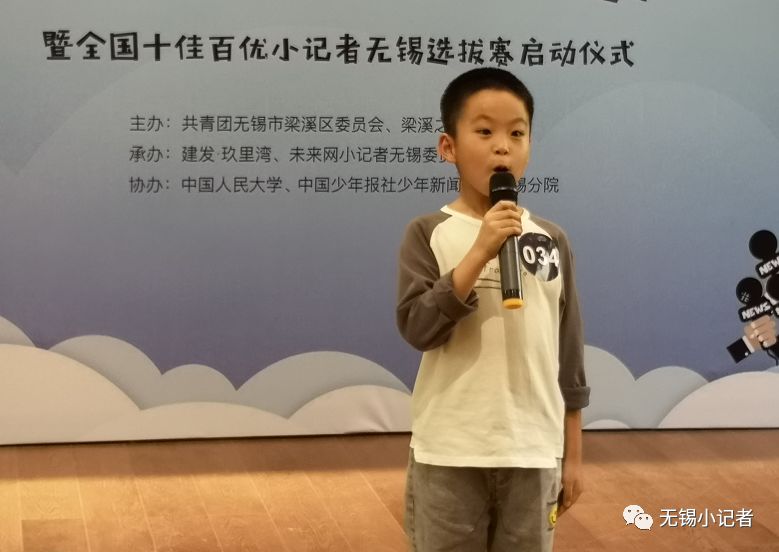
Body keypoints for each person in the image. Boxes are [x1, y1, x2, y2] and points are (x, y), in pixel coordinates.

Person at [396, 67, 590, 552]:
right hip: (450, 450)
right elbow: (418, 327)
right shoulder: (428, 232)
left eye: (517, 133)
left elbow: (568, 350)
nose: (502, 147)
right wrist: (480, 250)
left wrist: (572, 453)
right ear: (448, 147)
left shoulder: (551, 239)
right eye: (484, 132)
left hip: (534, 449)